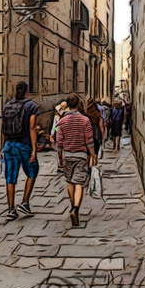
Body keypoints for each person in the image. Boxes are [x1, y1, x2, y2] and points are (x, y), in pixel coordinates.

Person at [54, 93, 97, 227]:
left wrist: (60, 158)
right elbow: (89, 140)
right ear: (78, 104)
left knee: (70, 182)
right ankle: (76, 209)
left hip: (67, 155)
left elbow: (59, 142)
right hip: (81, 156)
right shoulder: (85, 120)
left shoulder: (62, 121)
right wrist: (93, 155)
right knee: (79, 182)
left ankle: (72, 205)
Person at [0, 80, 41, 219]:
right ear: (26, 91)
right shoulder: (31, 105)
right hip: (24, 145)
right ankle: (25, 202)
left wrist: (2, 147)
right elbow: (32, 127)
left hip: (9, 145)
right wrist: (34, 149)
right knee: (32, 171)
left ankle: (11, 209)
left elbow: (3, 127)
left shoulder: (7, 105)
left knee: (10, 178)